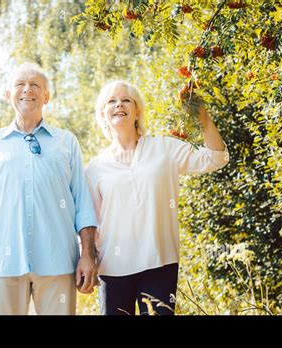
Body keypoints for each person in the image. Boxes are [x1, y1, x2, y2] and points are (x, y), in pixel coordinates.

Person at [0, 62, 98, 315]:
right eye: (20, 84)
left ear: (46, 97)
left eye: (35, 85)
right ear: (8, 95)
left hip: (58, 262)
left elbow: (83, 206)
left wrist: (88, 256)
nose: (28, 90)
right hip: (4, 264)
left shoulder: (66, 142)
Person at [85, 80, 230, 315]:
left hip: (159, 263)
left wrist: (201, 115)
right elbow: (90, 222)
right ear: (103, 113)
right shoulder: (95, 167)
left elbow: (216, 158)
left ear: (137, 110)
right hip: (112, 268)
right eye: (111, 101)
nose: (118, 104)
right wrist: (87, 261)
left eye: (125, 100)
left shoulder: (164, 148)